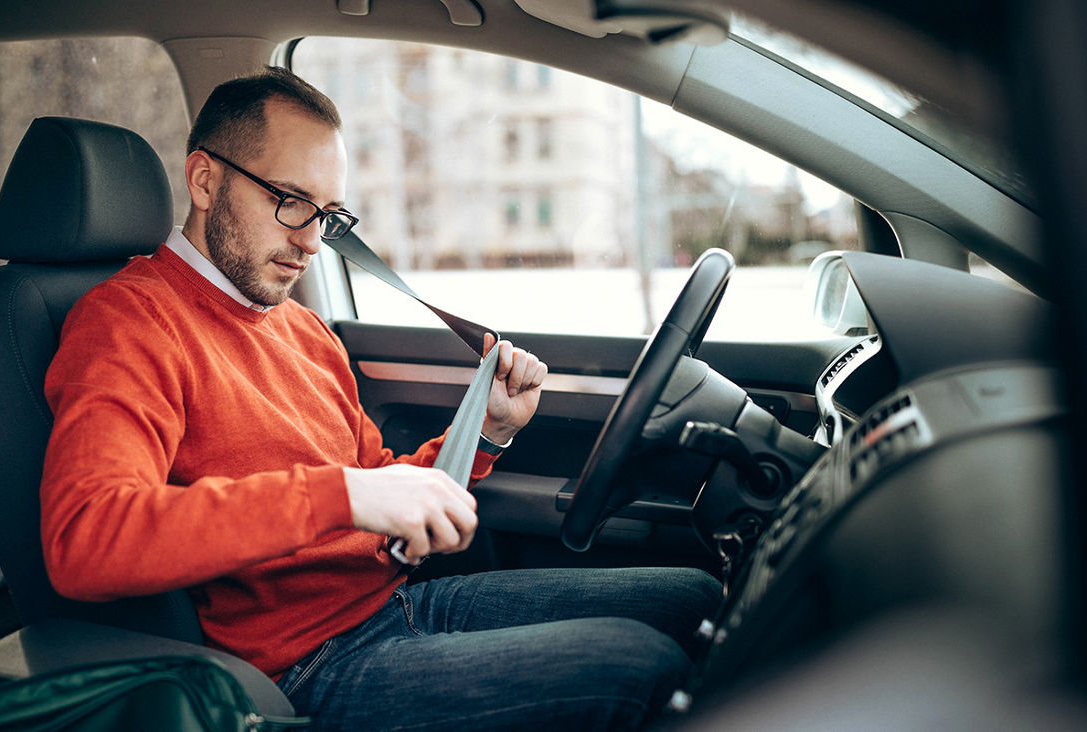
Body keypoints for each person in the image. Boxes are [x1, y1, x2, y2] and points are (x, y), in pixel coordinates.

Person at [40, 66, 722, 730]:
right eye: (291, 200)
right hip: (303, 667)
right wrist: (340, 494)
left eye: (329, 214)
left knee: (695, 598)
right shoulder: (129, 322)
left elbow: (381, 490)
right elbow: (88, 538)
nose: (311, 240)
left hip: (399, 604)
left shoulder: (302, 329)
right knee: (643, 665)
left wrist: (483, 434)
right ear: (205, 180)